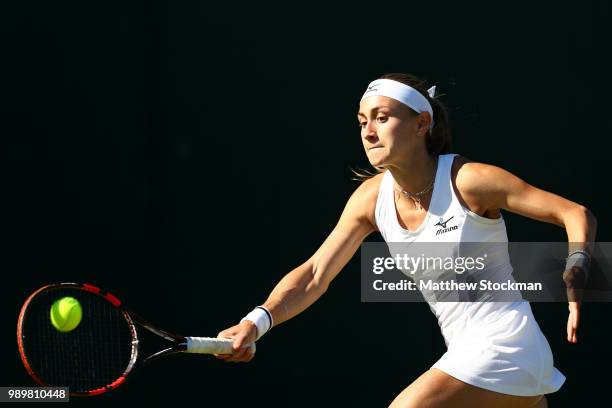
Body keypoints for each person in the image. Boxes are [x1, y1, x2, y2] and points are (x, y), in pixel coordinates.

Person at [215, 73, 597, 408]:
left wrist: (577, 265)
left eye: (382, 118)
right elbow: (315, 274)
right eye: (362, 121)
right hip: (478, 360)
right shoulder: (369, 199)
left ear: (421, 124)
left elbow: (575, 213)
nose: (368, 131)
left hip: (507, 348)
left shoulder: (470, 181)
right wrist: (256, 322)